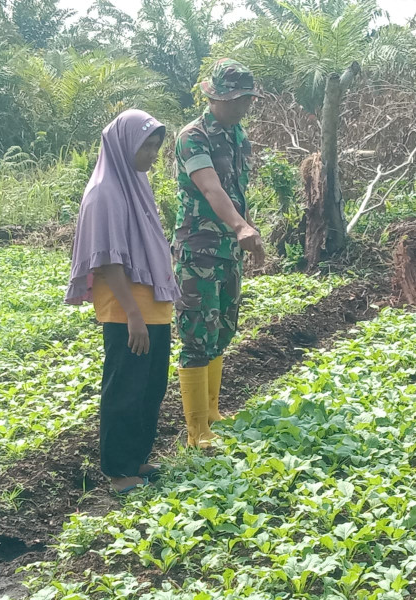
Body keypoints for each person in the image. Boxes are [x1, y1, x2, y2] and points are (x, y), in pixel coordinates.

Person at [65, 109, 180, 494]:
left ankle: (137, 459)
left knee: (150, 388)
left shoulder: (136, 184)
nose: (151, 154)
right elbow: (107, 260)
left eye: (155, 146)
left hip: (154, 306)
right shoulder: (104, 193)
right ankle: (118, 472)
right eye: (145, 145)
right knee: (125, 388)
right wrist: (133, 315)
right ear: (122, 145)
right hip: (127, 310)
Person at [172, 58, 265, 447]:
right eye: (238, 99)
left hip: (228, 250)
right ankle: (197, 431)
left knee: (223, 328)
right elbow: (211, 188)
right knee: (197, 333)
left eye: (247, 99)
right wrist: (242, 226)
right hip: (199, 249)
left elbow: (238, 189)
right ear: (217, 98)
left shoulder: (236, 135)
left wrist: (241, 232)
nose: (244, 106)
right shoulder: (193, 136)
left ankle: (211, 411)